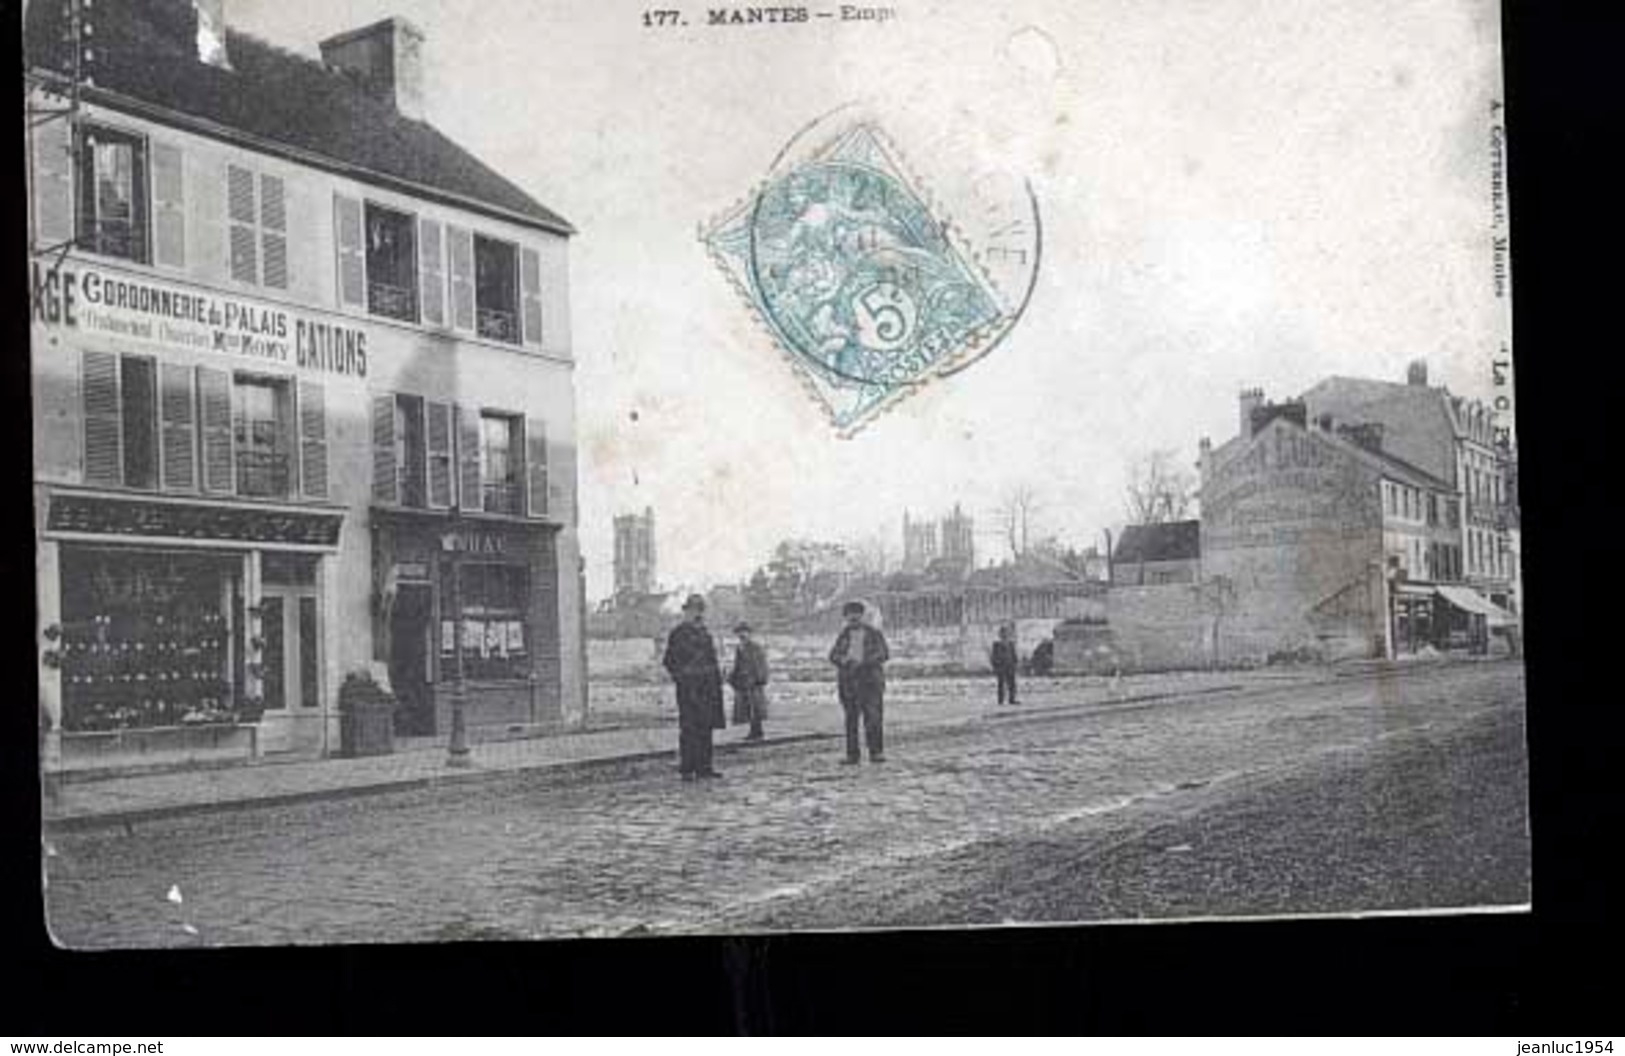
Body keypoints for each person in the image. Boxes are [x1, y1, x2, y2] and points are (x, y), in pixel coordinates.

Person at [661, 594, 725, 780]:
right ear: (686, 611)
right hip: (688, 689)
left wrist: (716, 681)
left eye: (700, 610)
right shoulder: (678, 633)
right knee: (689, 728)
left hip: (707, 688)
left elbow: (712, 660)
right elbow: (669, 661)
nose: (697, 614)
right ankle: (687, 768)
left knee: (706, 728)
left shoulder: (705, 634)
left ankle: (705, 767)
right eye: (693, 610)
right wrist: (682, 678)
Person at [829, 600, 890, 764]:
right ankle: (852, 755)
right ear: (846, 617)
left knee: (873, 719)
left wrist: (864, 662)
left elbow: (883, 654)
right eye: (849, 614)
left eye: (856, 614)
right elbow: (833, 655)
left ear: (862, 615)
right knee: (851, 720)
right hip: (849, 684)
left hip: (870, 683)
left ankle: (876, 752)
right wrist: (844, 661)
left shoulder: (874, 633)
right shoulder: (843, 635)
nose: (853, 617)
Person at [727, 622, 771, 742]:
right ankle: (753, 731)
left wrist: (760, 678)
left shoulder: (755, 647)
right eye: (739, 632)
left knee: (755, 707)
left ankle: (758, 731)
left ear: (749, 633)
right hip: (744, 681)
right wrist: (732, 678)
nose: (742, 634)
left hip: (754, 681)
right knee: (747, 707)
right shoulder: (740, 648)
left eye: (744, 632)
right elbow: (738, 665)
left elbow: (761, 664)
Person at [990, 622, 1020, 706]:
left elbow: (1014, 655)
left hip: (1010, 666)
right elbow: (994, 656)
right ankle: (1000, 700)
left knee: (1012, 683)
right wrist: (996, 665)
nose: (1005, 635)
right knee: (1001, 684)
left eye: (1006, 633)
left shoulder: (1011, 644)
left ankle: (1012, 699)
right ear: (1000, 634)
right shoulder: (996, 644)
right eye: (1003, 633)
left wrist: (1015, 663)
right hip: (1001, 667)